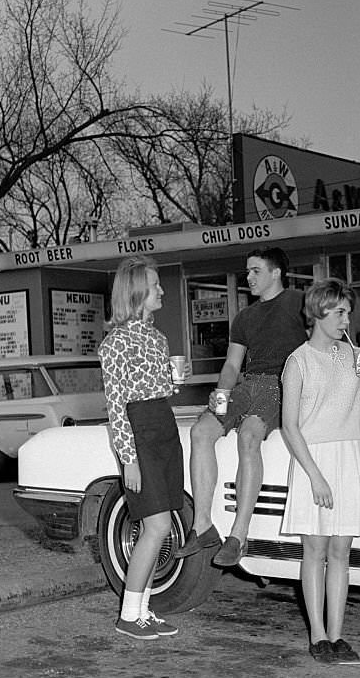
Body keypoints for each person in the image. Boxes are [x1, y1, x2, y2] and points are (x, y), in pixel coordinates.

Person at [172, 247, 308, 567]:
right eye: (248, 271)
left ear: (276, 273)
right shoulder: (245, 316)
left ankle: (238, 535)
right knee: (201, 431)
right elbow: (232, 366)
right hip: (248, 383)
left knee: (249, 436)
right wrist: (220, 396)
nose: (249, 278)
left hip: (283, 384)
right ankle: (202, 526)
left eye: (256, 271)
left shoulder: (299, 302)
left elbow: (327, 333)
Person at [279, 279, 360, 663]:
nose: (346, 319)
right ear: (318, 312)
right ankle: (317, 635)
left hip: (351, 453)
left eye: (348, 312)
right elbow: (290, 426)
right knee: (315, 548)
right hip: (314, 459)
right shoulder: (299, 361)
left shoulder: (351, 354)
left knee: (341, 549)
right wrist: (315, 476)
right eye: (339, 311)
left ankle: (337, 635)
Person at [98, 256, 185, 640]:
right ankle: (128, 615)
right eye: (155, 285)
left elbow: (158, 390)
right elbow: (116, 407)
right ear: (137, 293)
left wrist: (173, 380)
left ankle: (143, 612)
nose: (162, 290)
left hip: (163, 426)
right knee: (157, 526)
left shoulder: (157, 337)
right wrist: (127, 459)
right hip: (140, 433)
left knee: (161, 528)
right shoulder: (114, 343)